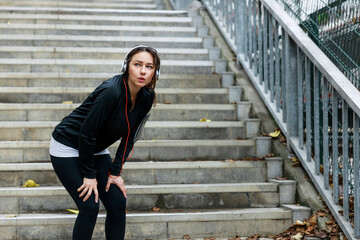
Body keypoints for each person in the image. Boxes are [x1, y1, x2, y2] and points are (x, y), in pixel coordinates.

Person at [49, 45, 160, 240]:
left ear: (155, 72)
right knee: (89, 206)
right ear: (127, 66)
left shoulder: (146, 97)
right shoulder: (112, 91)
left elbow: (131, 136)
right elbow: (87, 133)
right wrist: (90, 175)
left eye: (149, 66)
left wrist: (115, 172)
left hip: (95, 148)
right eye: (138, 64)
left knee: (117, 201)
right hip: (67, 145)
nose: (143, 71)